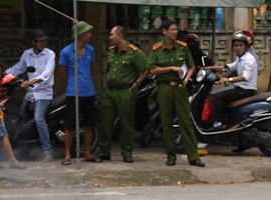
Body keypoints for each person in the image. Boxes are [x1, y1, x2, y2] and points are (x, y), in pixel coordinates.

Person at [147, 19, 204, 167]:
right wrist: (171, 68)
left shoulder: (182, 47)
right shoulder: (156, 49)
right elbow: (152, 69)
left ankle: (193, 156)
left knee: (185, 121)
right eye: (172, 29)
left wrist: (187, 78)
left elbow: (191, 67)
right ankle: (170, 156)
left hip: (180, 87)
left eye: (176, 29)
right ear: (164, 32)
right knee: (166, 122)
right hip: (164, 87)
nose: (175, 32)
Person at [97, 25, 149, 163]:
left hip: (126, 91)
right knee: (106, 121)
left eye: (111, 35)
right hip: (110, 91)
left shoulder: (134, 52)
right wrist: (109, 79)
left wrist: (137, 83)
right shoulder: (112, 51)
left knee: (126, 123)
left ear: (119, 36)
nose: (109, 37)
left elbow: (146, 69)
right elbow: (107, 68)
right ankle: (104, 152)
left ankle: (126, 152)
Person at [5, 29, 56, 162]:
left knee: (39, 119)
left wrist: (32, 81)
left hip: (44, 93)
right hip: (30, 94)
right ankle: (24, 150)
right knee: (21, 119)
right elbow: (18, 68)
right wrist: (3, 76)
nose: (43, 43)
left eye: (45, 40)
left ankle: (48, 151)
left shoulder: (50, 54)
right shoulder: (27, 54)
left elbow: (47, 73)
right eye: (40, 41)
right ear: (33, 42)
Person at [58, 21, 99, 165]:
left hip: (89, 92)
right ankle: (68, 154)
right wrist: (70, 87)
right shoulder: (66, 52)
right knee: (69, 126)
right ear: (79, 35)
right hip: (73, 93)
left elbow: (89, 68)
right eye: (87, 32)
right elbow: (62, 74)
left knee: (89, 124)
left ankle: (87, 153)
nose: (90, 35)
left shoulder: (90, 50)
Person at [205, 31, 257, 132]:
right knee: (215, 94)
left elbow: (245, 77)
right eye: (236, 45)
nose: (238, 48)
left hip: (246, 90)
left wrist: (228, 79)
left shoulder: (249, 59)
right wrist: (210, 67)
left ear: (245, 46)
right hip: (239, 88)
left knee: (218, 97)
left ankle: (217, 124)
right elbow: (228, 67)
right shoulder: (240, 58)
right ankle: (226, 122)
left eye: (240, 45)